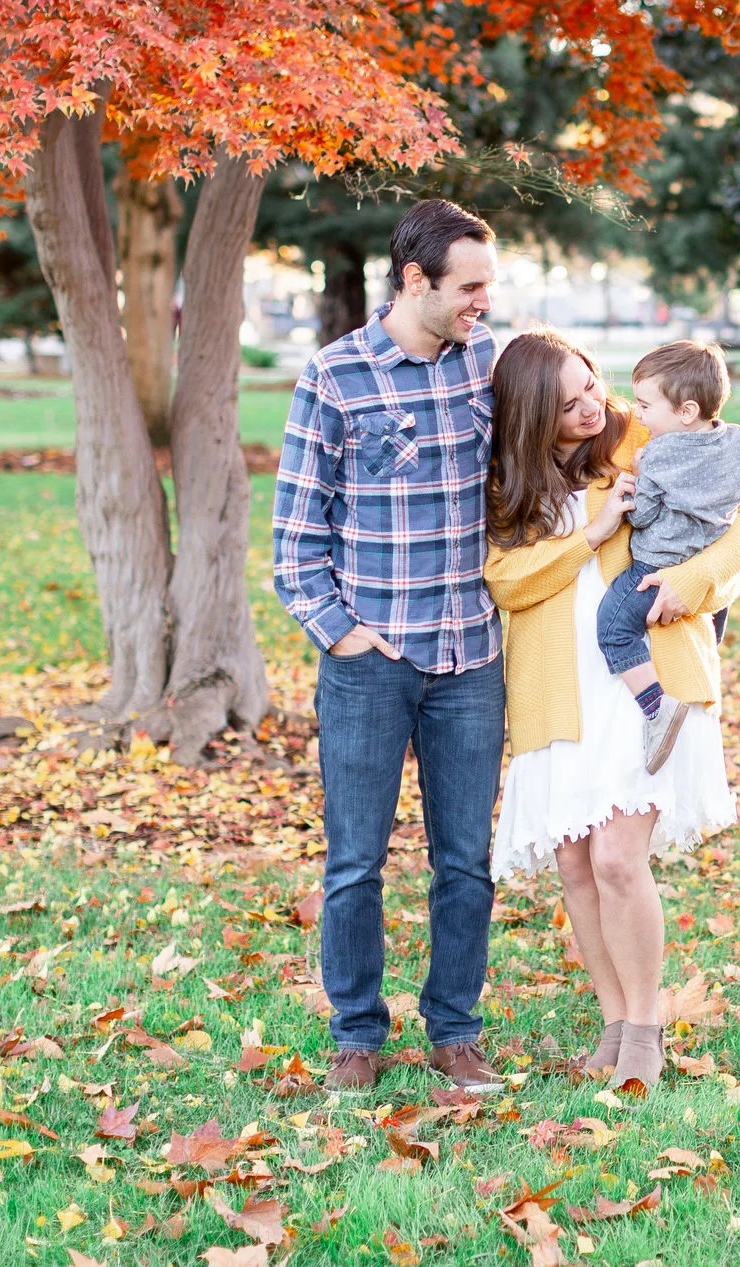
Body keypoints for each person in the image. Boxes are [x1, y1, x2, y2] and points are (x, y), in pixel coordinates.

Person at [484, 330, 740, 1089]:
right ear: (529, 409)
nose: (590, 404)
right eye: (567, 397)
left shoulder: (643, 435)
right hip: (557, 687)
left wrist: (696, 581)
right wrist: (593, 534)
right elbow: (508, 582)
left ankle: (645, 1025)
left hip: (644, 682)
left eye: (592, 384)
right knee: (577, 863)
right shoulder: (509, 482)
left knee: (616, 855)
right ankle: (613, 1018)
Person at [270, 198, 507, 1096]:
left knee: (465, 862)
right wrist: (346, 636)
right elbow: (295, 542)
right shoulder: (333, 378)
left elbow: (578, 424)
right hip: (371, 663)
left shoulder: (489, 362)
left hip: (471, 657)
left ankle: (455, 1032)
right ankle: (356, 1036)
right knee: (355, 862)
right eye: (470, 286)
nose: (483, 302)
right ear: (416, 281)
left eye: (488, 285)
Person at [596, 340, 740, 772]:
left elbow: (645, 514)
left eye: (646, 405)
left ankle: (656, 707)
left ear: (686, 411)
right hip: (709, 571)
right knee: (709, 629)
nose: (638, 414)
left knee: (614, 630)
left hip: (656, 566)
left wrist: (637, 470)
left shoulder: (656, 454)